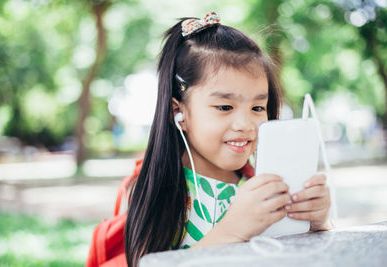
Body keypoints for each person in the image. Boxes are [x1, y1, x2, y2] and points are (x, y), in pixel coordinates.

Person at [125, 11, 331, 267]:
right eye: (224, 107)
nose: (245, 124)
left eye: (258, 108)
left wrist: (317, 223)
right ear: (179, 112)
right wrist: (231, 231)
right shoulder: (163, 188)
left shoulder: (264, 186)